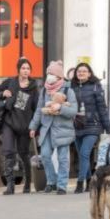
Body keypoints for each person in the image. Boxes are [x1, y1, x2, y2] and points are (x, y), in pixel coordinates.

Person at [29, 60, 78, 194]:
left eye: (51, 74)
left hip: (63, 129)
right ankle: (52, 181)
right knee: (44, 156)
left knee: (63, 158)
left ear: (58, 76)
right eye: (48, 73)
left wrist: (60, 107)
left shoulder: (68, 90)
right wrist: (33, 127)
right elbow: (39, 109)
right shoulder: (45, 91)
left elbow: (74, 110)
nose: (48, 76)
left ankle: (62, 185)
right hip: (47, 129)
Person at [0, 57, 39, 195]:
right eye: (23, 68)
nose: (26, 71)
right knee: (8, 151)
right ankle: (10, 186)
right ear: (19, 70)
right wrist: (3, 93)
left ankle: (27, 183)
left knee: (23, 153)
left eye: (28, 69)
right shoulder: (10, 82)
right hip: (9, 122)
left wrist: (34, 127)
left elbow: (36, 107)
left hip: (24, 125)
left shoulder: (33, 87)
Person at [70, 62, 110, 194]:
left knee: (84, 153)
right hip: (77, 126)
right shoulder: (71, 87)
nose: (81, 73)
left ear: (89, 73)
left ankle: (79, 182)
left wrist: (108, 128)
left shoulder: (95, 87)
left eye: (84, 71)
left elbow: (102, 108)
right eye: (79, 71)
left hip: (93, 126)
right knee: (83, 156)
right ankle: (89, 181)